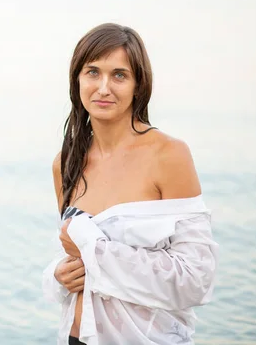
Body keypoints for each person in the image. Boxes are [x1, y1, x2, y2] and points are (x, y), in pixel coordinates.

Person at [41, 23, 218, 345]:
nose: (103, 87)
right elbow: (71, 256)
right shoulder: (66, 162)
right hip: (77, 337)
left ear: (138, 85)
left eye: (119, 75)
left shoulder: (168, 155)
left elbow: (196, 280)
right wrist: (59, 275)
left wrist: (92, 247)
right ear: (77, 81)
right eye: (92, 72)